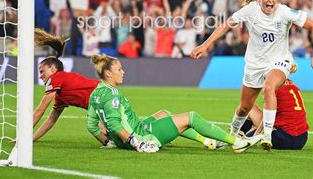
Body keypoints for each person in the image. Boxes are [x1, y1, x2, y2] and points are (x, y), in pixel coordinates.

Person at [190, 0, 313, 150]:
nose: (270, 0)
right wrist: (205, 45)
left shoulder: (284, 12)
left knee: (269, 87)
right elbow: (226, 26)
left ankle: (266, 135)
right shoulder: (250, 10)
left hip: (279, 61)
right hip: (254, 64)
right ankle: (231, 136)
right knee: (245, 107)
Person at [86, 54, 253, 153]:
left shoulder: (96, 93)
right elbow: (114, 124)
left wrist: (110, 142)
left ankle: (208, 141)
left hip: (131, 134)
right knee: (192, 117)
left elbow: (92, 126)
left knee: (164, 113)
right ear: (108, 74)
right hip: (142, 136)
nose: (123, 72)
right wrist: (137, 143)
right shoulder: (112, 94)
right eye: (119, 70)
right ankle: (235, 142)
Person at [32, 28, 100, 142]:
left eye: (42, 71)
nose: (40, 76)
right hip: (101, 98)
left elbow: (41, 109)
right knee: (102, 131)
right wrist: (30, 139)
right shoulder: (60, 95)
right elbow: (51, 120)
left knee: (105, 131)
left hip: (103, 96)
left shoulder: (56, 78)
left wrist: (23, 135)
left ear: (53, 69)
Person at [240, 79, 308, 150]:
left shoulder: (271, 89)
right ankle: (243, 134)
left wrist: (254, 136)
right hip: (301, 140)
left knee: (249, 107)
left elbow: (267, 117)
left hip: (283, 140)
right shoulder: (294, 87)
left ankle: (238, 134)